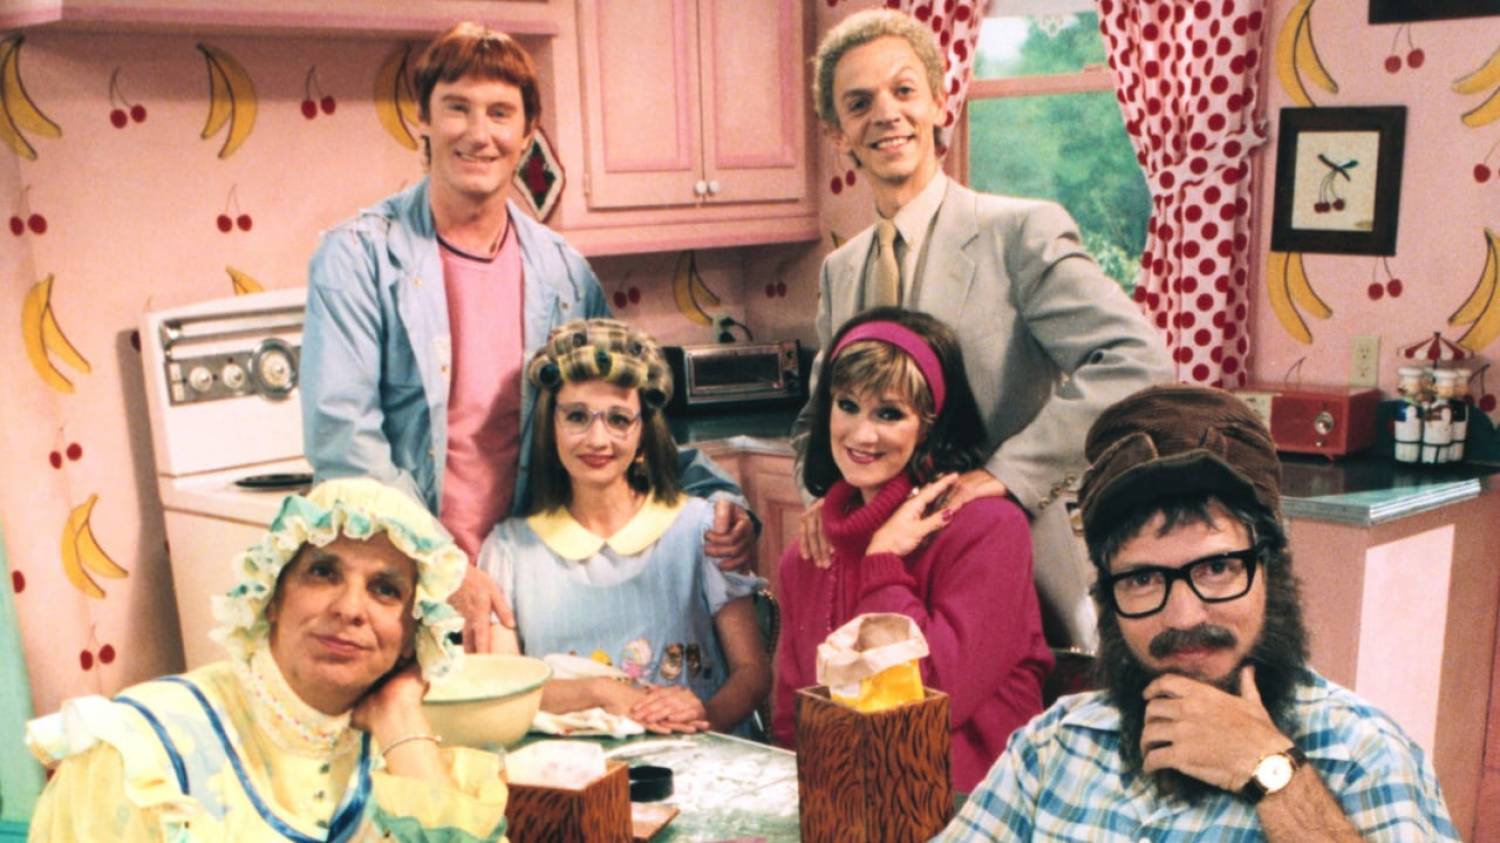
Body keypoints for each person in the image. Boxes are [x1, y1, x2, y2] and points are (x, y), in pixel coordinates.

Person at [301, 21, 754, 654]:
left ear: (527, 132)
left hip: (532, 584)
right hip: (400, 574)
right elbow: (344, 442)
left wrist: (722, 497)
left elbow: (623, 414)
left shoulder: (562, 271)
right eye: (457, 108)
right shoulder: (358, 257)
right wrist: (444, 566)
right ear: (422, 120)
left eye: (499, 113)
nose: (478, 133)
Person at [795, 9, 1173, 649]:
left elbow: (1138, 362)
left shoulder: (1019, 234)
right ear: (838, 134)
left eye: (904, 90)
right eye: (859, 103)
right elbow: (815, 419)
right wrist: (823, 496)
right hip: (881, 574)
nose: (886, 114)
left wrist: (1007, 475)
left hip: (1006, 557)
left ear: (940, 103)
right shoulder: (842, 269)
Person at [937, 385, 1462, 841]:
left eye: (1216, 569)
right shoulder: (1053, 746)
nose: (1185, 617)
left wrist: (1272, 772)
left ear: (1271, 572)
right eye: (1143, 579)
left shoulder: (1363, 756)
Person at [25, 478, 509, 841]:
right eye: (323, 572)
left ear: (412, 634)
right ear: (270, 597)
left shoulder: (401, 753)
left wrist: (398, 714)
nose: (349, 608)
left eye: (384, 590)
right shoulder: (143, 750)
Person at [772, 307, 1052, 792]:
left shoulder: (988, 530)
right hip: (842, 809)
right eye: (847, 405)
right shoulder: (806, 555)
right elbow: (791, 724)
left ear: (929, 427)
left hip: (977, 809)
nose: (862, 434)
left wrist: (882, 563)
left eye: (890, 413)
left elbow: (933, 697)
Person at [477, 319, 771, 735]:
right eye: (576, 416)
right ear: (550, 425)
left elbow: (752, 673)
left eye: (618, 420)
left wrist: (703, 717)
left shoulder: (701, 530)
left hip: (698, 754)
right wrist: (600, 692)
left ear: (643, 431)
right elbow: (504, 689)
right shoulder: (510, 550)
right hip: (575, 765)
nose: (598, 440)